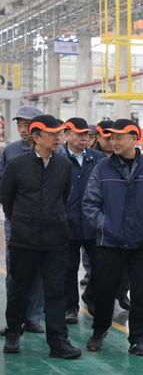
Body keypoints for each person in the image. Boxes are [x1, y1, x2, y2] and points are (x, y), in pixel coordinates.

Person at [82, 119, 143, 356]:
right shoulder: (102, 167)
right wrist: (106, 226)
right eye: (111, 138)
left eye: (119, 137)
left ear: (134, 138)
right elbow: (90, 203)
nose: (113, 142)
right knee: (104, 290)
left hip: (142, 242)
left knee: (141, 292)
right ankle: (99, 330)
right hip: (110, 241)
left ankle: (138, 339)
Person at [1, 115, 82, 359]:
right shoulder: (16, 165)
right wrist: (24, 221)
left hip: (55, 240)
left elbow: (64, 197)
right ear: (36, 137)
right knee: (19, 287)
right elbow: (7, 200)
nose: (58, 138)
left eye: (60, 133)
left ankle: (58, 340)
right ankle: (13, 331)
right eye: (52, 134)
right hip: (24, 239)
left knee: (55, 291)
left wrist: (53, 219)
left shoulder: (64, 165)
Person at [0, 105, 46, 334]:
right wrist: (12, 213)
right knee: (16, 270)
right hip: (16, 220)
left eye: (26, 124)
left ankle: (33, 318)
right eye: (19, 124)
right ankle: (14, 320)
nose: (22, 129)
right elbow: (3, 186)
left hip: (44, 221)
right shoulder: (10, 151)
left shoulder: (51, 150)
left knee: (39, 269)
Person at [62, 118, 105, 325]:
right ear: (66, 134)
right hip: (66, 224)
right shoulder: (58, 158)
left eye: (86, 134)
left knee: (101, 265)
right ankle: (70, 306)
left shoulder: (98, 159)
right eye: (79, 134)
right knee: (68, 268)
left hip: (93, 223)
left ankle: (91, 295)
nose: (84, 138)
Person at [86, 119, 131, 311]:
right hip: (102, 223)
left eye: (115, 137)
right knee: (101, 266)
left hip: (125, 224)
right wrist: (103, 222)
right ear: (98, 137)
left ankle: (121, 294)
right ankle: (92, 295)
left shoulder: (130, 160)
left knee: (125, 265)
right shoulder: (94, 159)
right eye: (108, 137)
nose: (111, 141)